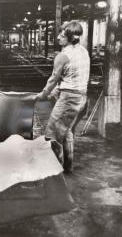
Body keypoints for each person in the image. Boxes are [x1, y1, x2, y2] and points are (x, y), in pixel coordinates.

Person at [36, 21, 90, 173]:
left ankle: (53, 171)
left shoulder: (62, 56)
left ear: (71, 37)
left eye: (62, 34)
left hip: (69, 99)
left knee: (52, 133)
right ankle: (68, 167)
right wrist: (58, 90)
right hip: (82, 98)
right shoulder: (84, 51)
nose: (58, 37)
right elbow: (75, 76)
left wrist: (44, 94)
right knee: (67, 131)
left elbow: (53, 79)